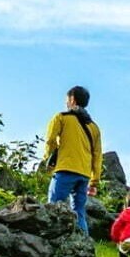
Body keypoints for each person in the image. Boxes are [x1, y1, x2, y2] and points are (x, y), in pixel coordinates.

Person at [44, 85, 102, 233]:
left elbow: (50, 140)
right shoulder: (94, 128)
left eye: (67, 100)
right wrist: (95, 180)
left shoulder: (61, 117)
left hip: (65, 169)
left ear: (72, 99)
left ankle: (50, 240)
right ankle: (84, 245)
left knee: (53, 206)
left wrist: (48, 159)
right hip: (84, 175)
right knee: (79, 212)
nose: (66, 103)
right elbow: (97, 155)